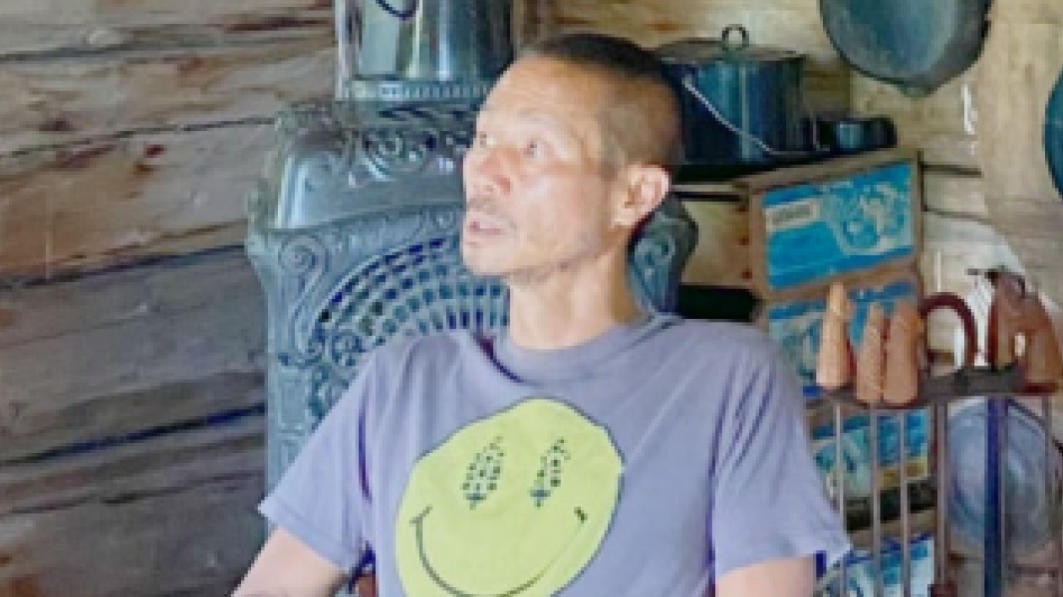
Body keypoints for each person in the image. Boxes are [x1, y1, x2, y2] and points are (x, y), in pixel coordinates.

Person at [234, 32, 849, 597]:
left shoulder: (726, 379)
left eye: (532, 149)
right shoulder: (401, 381)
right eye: (483, 140)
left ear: (634, 195)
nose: (484, 172)